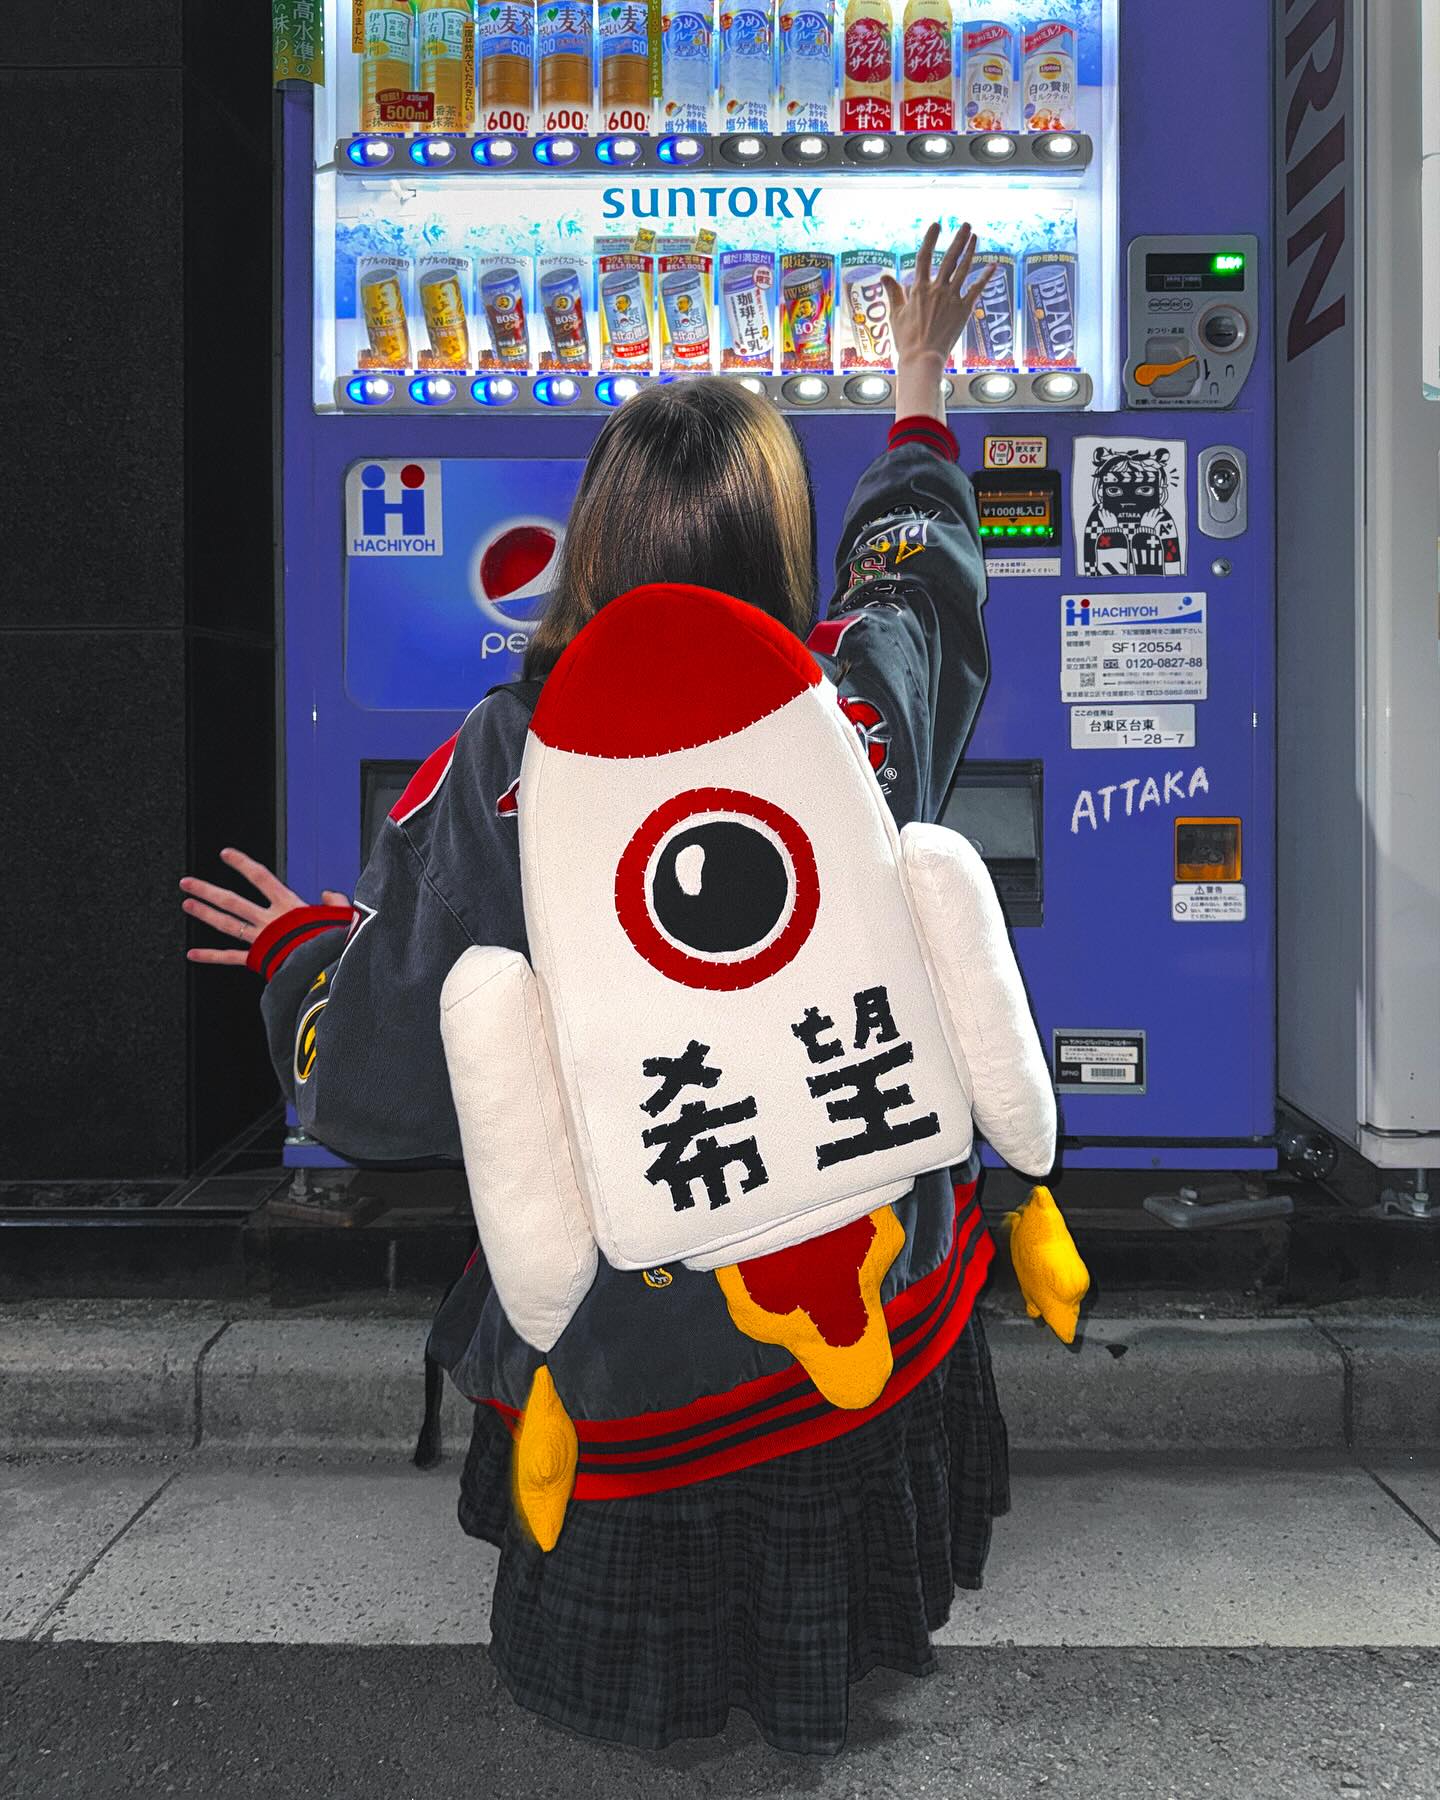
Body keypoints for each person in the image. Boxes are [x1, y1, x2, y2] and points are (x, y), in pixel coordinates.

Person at [180, 222, 1017, 1757]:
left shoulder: (503, 767)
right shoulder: (853, 714)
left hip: (643, 1361)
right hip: (865, 1313)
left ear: (593, 540)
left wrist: (302, 954)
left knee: (649, 1702)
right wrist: (919, 388)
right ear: (778, 549)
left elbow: (379, 1083)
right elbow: (920, 586)